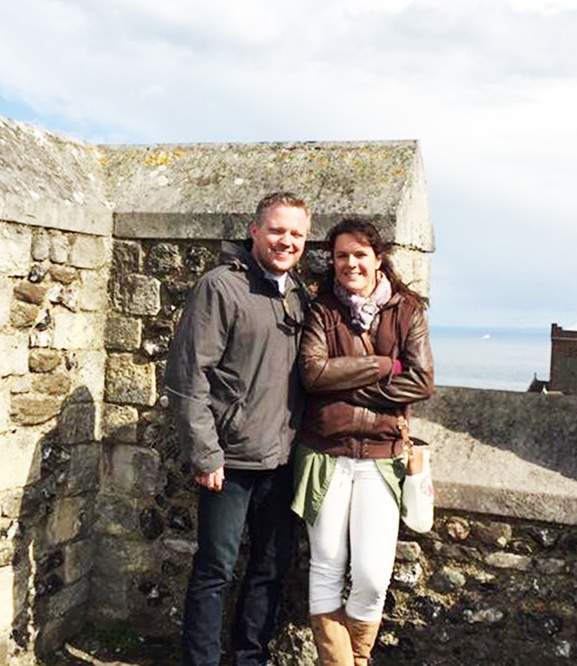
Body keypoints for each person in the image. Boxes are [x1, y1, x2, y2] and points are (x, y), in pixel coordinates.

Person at [165, 191, 312, 666]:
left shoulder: (299, 295)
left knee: (270, 569)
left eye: (296, 234)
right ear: (254, 231)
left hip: (283, 459)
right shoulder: (221, 287)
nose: (286, 241)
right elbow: (188, 376)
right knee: (215, 571)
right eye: (276, 230)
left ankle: (251, 658)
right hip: (228, 462)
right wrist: (205, 454)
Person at [291, 218, 434, 665]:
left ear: (378, 258)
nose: (350, 263)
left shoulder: (407, 311)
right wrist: (383, 366)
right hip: (326, 455)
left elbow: (422, 381)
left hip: (381, 457)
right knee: (327, 566)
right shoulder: (323, 310)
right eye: (341, 256)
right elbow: (313, 373)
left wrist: (345, 387)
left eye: (359, 254)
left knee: (372, 576)